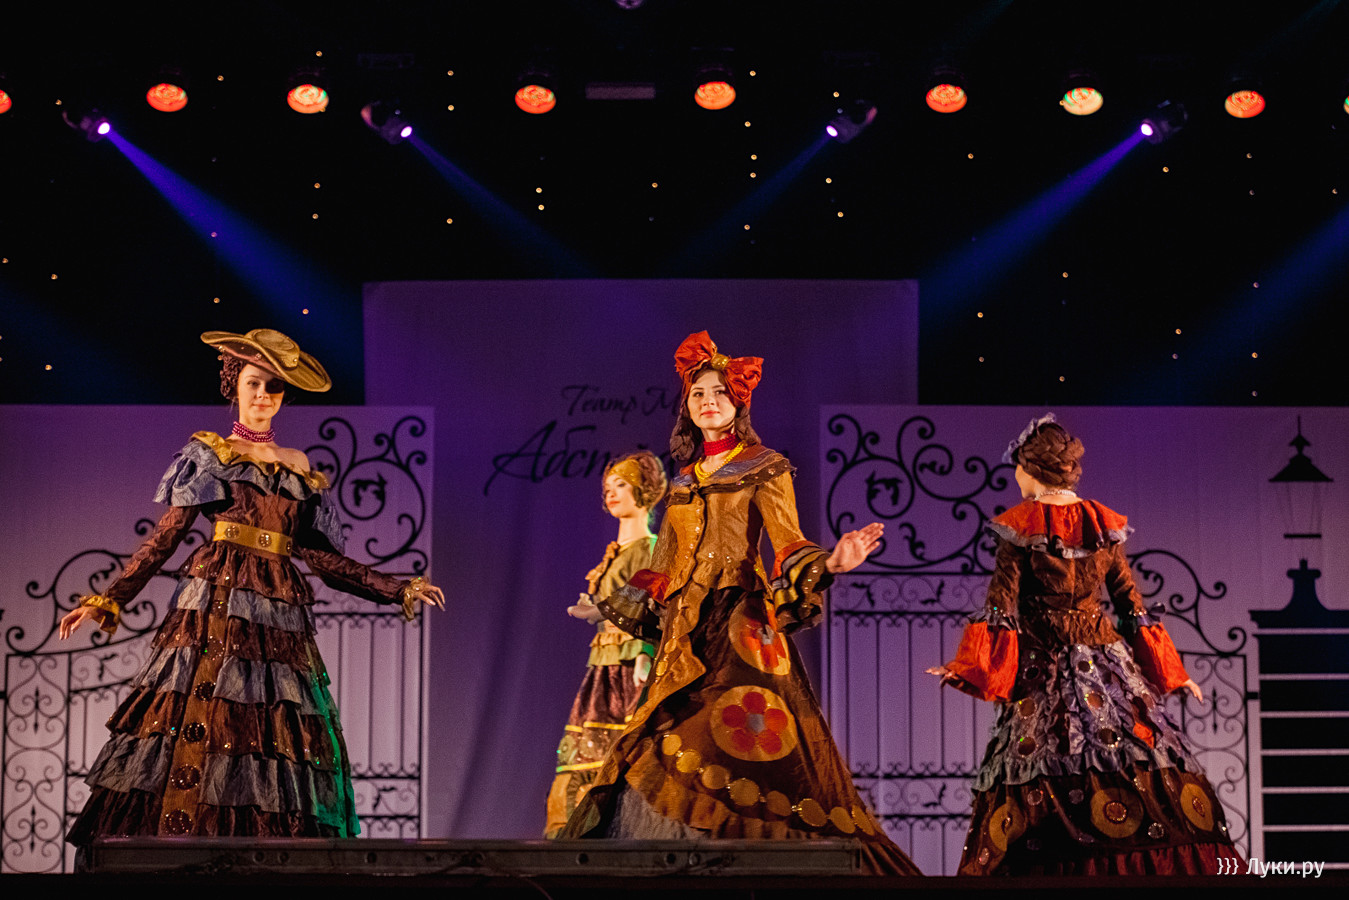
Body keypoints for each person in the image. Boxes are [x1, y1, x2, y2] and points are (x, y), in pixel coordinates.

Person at [60, 328, 444, 844]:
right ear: (234, 387)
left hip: (278, 611)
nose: (264, 395)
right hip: (218, 598)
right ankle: (180, 848)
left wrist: (395, 588)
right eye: (254, 383)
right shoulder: (211, 453)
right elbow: (166, 537)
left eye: (274, 387)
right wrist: (109, 599)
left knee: (271, 727)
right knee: (208, 711)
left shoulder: (299, 467)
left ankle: (269, 851)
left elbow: (320, 557)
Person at [560, 331, 921, 876]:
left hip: (738, 627)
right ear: (687, 406)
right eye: (698, 393)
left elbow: (788, 541)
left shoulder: (763, 466)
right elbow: (664, 565)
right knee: (656, 744)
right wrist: (617, 606)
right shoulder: (683, 482)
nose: (708, 401)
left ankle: (744, 870)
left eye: (719, 393)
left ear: (738, 404)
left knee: (730, 738)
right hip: (685, 634)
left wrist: (831, 563)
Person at [927, 414, 1241, 875]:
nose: (1016, 479)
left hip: (1042, 665)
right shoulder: (1101, 524)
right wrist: (1172, 672)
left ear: (1030, 470)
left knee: (1038, 757)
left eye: (1017, 469)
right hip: (1107, 663)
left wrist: (970, 667)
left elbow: (1001, 604)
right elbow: (1130, 604)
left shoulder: (1019, 527)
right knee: (1133, 752)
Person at [544, 451, 669, 837]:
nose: (612, 493)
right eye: (608, 487)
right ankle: (580, 834)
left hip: (630, 667)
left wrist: (646, 654)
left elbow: (654, 608)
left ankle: (626, 834)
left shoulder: (649, 549)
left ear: (643, 491)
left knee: (628, 749)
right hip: (603, 667)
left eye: (622, 485)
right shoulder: (616, 552)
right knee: (586, 751)